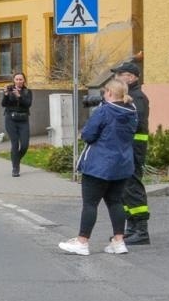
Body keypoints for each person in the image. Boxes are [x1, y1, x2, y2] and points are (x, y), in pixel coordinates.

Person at [59, 78, 137, 256]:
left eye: (105, 92)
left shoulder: (104, 111)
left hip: (99, 165)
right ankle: (119, 242)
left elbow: (88, 134)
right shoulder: (132, 112)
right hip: (122, 165)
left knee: (90, 204)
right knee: (116, 202)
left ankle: (82, 242)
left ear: (109, 93)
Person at [111, 59, 153, 245]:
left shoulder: (137, 97)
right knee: (125, 188)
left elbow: (133, 122)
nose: (116, 78)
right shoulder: (130, 96)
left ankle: (142, 231)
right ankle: (131, 227)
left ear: (130, 77)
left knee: (132, 186)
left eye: (119, 75)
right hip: (126, 146)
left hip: (133, 147)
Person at [1, 72, 33, 176]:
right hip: (11, 120)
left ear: (24, 80)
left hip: (23, 120)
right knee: (15, 144)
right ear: (14, 80)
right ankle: (15, 168)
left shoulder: (28, 92)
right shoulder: (10, 90)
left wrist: (19, 96)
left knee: (24, 145)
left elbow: (28, 104)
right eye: (17, 79)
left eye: (21, 79)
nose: (19, 81)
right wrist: (6, 94)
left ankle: (16, 159)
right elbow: (4, 104)